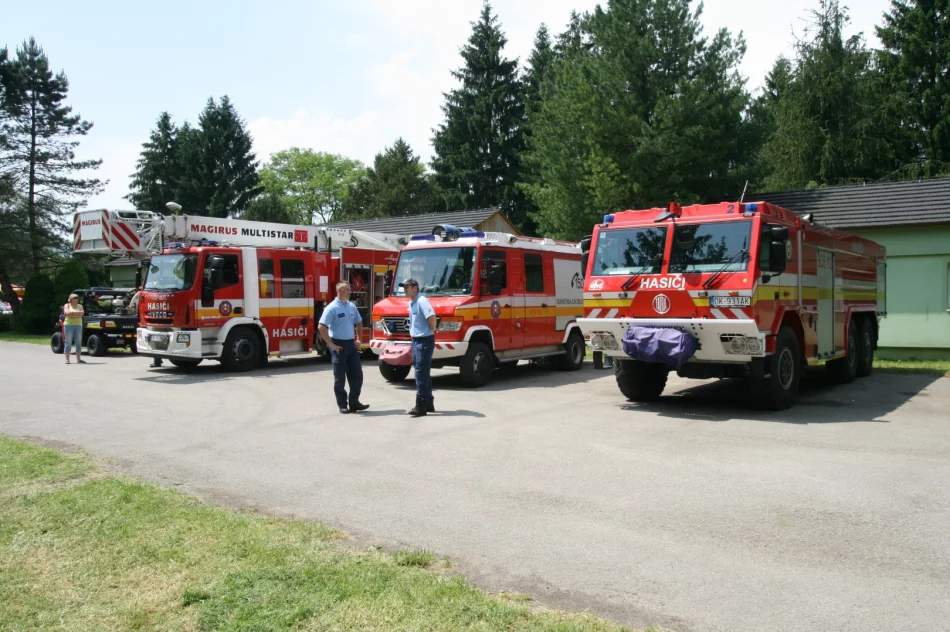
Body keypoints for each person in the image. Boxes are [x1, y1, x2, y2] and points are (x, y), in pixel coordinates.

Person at [318, 282, 369, 414]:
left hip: (351, 344)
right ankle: (342, 404)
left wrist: (359, 339)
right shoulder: (332, 308)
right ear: (340, 290)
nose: (350, 292)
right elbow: (321, 327)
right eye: (348, 289)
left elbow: (359, 321)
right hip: (338, 345)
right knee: (340, 377)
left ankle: (354, 402)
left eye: (349, 289)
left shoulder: (351, 306)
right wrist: (331, 344)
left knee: (357, 375)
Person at [401, 278, 436, 417]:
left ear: (415, 288)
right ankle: (428, 402)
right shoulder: (413, 302)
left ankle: (420, 405)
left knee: (420, 373)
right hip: (417, 341)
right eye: (404, 287)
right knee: (423, 372)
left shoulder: (422, 301)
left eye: (407, 287)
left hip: (424, 341)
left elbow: (432, 317)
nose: (405, 290)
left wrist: (431, 332)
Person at [62, 293, 85, 365]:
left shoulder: (80, 306)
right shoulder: (67, 305)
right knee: (68, 342)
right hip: (69, 325)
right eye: (75, 298)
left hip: (78, 325)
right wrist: (76, 314)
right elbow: (67, 313)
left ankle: (79, 359)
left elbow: (82, 314)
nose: (77, 299)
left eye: (77, 298)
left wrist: (72, 313)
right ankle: (67, 359)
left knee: (78, 342)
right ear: (71, 299)